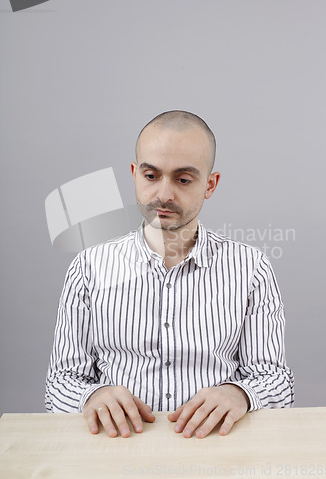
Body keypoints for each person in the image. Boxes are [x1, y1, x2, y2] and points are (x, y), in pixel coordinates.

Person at [45, 110, 294, 439]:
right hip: (115, 452)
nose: (164, 194)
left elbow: (277, 382)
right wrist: (90, 396)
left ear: (210, 184)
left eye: (183, 179)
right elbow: (59, 385)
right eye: (151, 176)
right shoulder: (89, 267)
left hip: (218, 452)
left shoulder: (251, 268)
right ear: (135, 174)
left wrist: (241, 394)